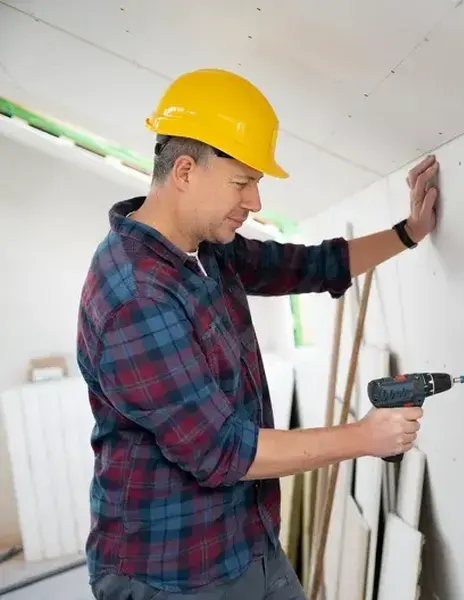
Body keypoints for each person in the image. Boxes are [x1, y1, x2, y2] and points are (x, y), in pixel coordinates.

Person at [76, 68, 440, 600]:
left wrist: (409, 233)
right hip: (171, 571)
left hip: (246, 539)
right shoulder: (135, 296)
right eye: (243, 182)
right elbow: (223, 451)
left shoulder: (204, 247)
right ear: (184, 171)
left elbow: (306, 266)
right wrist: (364, 438)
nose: (255, 203)